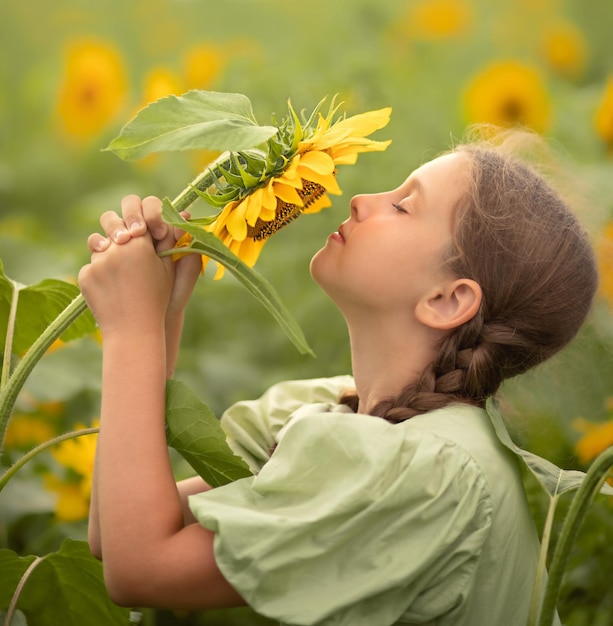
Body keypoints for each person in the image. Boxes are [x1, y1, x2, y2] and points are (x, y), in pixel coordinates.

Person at [78, 130, 597, 626]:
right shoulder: (352, 417)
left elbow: (141, 568)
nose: (360, 200)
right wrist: (162, 314)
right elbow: (116, 534)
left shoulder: (422, 473)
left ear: (447, 300)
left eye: (402, 205)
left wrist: (132, 331)